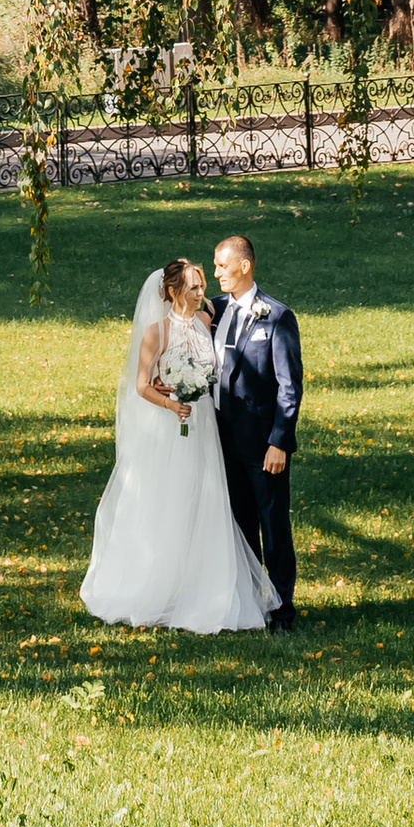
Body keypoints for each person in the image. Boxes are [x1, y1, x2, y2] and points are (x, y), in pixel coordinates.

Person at [79, 256, 269, 633]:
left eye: (201, 285)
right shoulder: (157, 332)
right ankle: (159, 586)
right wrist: (171, 402)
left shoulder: (205, 318)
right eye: (194, 287)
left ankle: (206, 587)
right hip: (171, 427)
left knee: (206, 498)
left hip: (205, 427)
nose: (202, 293)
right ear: (171, 291)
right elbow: (141, 385)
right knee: (171, 499)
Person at [208, 232, 301, 629]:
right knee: (240, 525)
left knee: (272, 524)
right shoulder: (212, 310)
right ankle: (248, 604)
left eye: (222, 267)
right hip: (221, 439)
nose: (217, 275)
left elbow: (290, 386)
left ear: (244, 266)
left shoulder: (277, 317)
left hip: (263, 445)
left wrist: (279, 441)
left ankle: (281, 608)